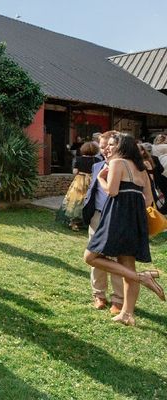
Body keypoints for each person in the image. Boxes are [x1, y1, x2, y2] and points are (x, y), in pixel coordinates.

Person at [84, 133, 164, 326]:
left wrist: (102, 178)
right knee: (128, 266)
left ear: (122, 147)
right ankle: (127, 314)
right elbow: (148, 201)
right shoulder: (141, 169)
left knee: (90, 257)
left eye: (112, 144)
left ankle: (142, 277)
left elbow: (111, 191)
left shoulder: (117, 163)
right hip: (136, 221)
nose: (108, 148)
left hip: (117, 217)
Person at [83, 131, 124, 313]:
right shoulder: (97, 165)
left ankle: (118, 299)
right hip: (97, 216)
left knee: (116, 257)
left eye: (108, 146)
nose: (105, 150)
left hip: (116, 217)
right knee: (96, 257)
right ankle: (99, 295)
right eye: (102, 147)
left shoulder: (125, 167)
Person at [57, 141, 99, 231]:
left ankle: (73, 222)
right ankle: (87, 221)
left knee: (75, 200)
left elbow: (75, 172)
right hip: (91, 181)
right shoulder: (97, 160)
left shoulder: (79, 159)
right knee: (88, 199)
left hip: (80, 181)